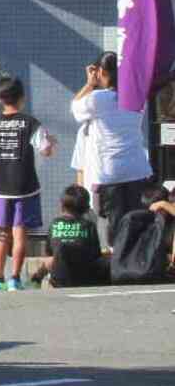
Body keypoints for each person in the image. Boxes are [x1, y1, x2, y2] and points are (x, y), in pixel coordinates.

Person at [71, 53, 156, 249]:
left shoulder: (96, 99)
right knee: (137, 220)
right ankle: (137, 263)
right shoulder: (137, 97)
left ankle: (119, 265)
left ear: (100, 71)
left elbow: (75, 108)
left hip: (109, 173)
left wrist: (90, 84)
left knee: (114, 225)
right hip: (137, 168)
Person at [0, 77, 52, 292]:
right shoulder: (31, 123)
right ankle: (15, 279)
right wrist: (52, 143)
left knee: (2, 233)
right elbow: (46, 150)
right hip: (25, 185)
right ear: (22, 98)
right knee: (19, 232)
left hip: (0, 186)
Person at [27, 184, 107, 288]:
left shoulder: (55, 224)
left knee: (52, 258)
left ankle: (36, 280)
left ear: (62, 205)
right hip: (86, 278)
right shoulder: (89, 225)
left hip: (60, 278)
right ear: (86, 207)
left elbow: (49, 254)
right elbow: (96, 254)